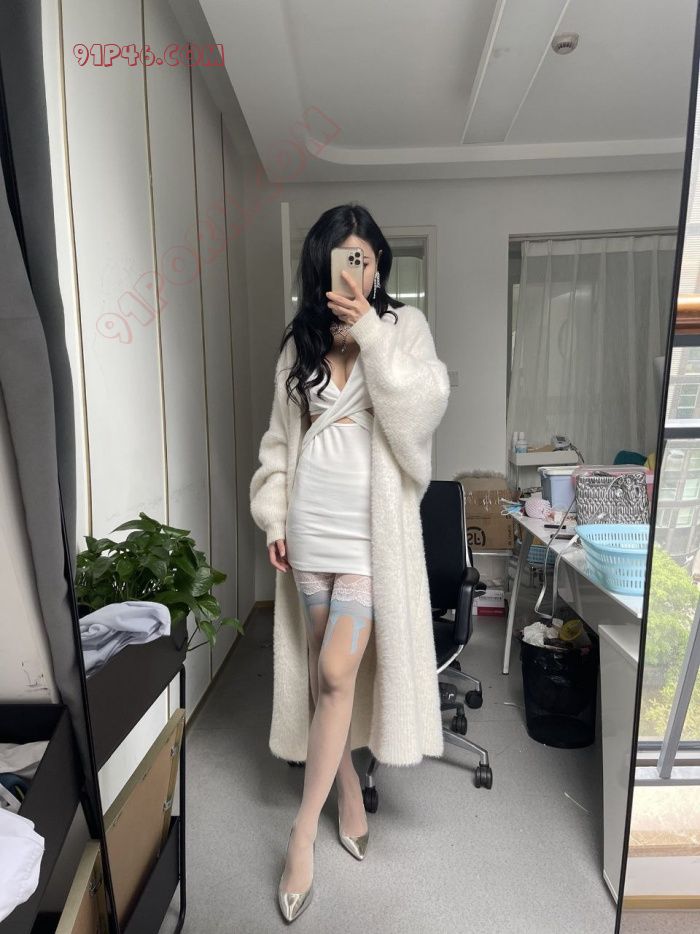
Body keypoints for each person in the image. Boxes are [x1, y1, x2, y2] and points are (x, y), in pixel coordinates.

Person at [250, 202, 450, 923]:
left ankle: (301, 835)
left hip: (372, 534)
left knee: (337, 672)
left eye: (365, 259)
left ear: (379, 265)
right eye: (343, 259)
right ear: (322, 265)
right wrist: (275, 515)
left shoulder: (403, 327)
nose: (355, 272)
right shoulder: (298, 341)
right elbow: (280, 441)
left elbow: (423, 407)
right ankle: (343, 793)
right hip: (311, 525)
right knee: (320, 675)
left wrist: (368, 328)